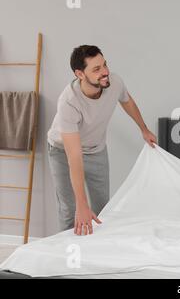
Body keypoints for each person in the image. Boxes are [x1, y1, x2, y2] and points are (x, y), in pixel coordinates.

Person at [47, 45, 157, 236]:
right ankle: (67, 256)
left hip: (95, 149)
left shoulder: (114, 82)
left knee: (103, 208)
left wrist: (144, 129)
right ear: (80, 74)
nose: (105, 72)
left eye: (104, 64)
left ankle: (98, 254)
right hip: (62, 152)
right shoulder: (69, 102)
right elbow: (74, 156)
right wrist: (82, 206)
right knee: (70, 210)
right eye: (96, 69)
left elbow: (127, 101)